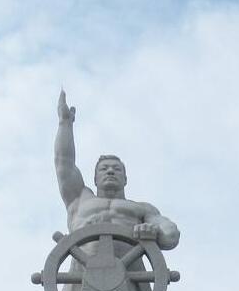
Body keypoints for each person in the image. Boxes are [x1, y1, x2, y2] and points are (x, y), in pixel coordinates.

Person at [55, 90, 179, 250]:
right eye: (104, 169)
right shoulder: (79, 199)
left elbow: (170, 235)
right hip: (83, 271)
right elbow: (63, 163)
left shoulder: (142, 209)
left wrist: (155, 232)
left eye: (116, 169)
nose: (110, 171)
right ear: (95, 179)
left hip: (130, 273)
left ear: (126, 179)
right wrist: (65, 123)